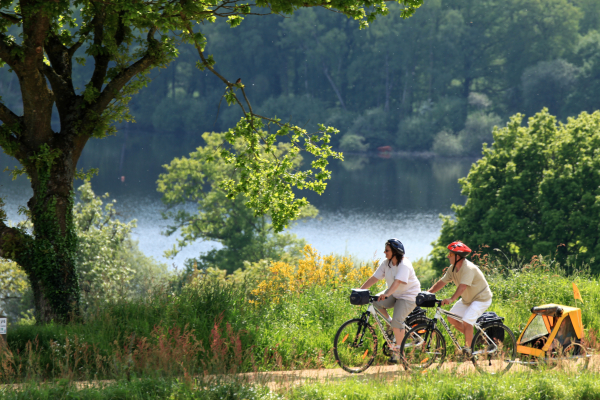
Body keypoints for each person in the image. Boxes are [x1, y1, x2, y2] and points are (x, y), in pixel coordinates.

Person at [359, 238, 421, 361]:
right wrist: (360, 290)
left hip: (409, 296)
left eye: (387, 250)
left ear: (395, 252)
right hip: (395, 293)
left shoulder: (404, 264)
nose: (384, 252)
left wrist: (387, 294)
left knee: (397, 321)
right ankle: (391, 324)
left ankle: (398, 353)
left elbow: (397, 282)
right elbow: (374, 278)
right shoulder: (386, 263)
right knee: (376, 302)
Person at [428, 241, 492, 356]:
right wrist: (428, 293)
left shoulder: (468, 268)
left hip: (481, 298)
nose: (448, 256)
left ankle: (468, 350)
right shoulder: (452, 268)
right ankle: (474, 338)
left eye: (451, 254)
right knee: (451, 318)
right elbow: (441, 282)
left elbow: (462, 287)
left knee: (467, 321)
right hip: (467, 299)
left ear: (458, 256)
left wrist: (451, 299)